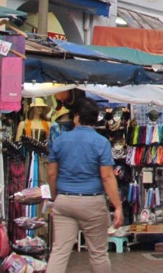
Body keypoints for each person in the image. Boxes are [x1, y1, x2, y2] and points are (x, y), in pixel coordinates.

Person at [47, 97, 123, 273]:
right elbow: (107, 177)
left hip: (65, 200)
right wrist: (117, 206)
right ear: (95, 118)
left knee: (59, 252)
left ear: (76, 116)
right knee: (98, 254)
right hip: (92, 203)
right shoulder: (101, 142)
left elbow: (52, 173)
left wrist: (54, 197)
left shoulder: (60, 140)